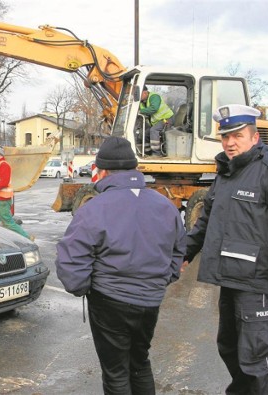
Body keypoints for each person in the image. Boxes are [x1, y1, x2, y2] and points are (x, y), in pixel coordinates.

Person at [182, 104, 268, 395]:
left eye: (238, 135)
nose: (230, 143)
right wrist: (184, 254)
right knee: (229, 347)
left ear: (255, 138)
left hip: (257, 281)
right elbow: (205, 222)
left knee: (256, 357)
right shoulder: (227, 172)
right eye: (225, 137)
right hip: (230, 278)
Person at [55, 136, 186, 394]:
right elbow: (179, 248)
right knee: (139, 363)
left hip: (109, 300)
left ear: (102, 171)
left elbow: (71, 256)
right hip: (150, 300)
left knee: (116, 372)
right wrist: (162, 280)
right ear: (134, 169)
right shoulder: (164, 205)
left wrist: (82, 287)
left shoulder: (95, 208)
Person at [0, 145, 33, 240]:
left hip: (2, 200)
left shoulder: (3, 165)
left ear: (0, 155)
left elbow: (4, 181)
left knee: (8, 223)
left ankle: (27, 238)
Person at [139, 87, 174, 157]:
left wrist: (140, 112)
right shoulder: (142, 102)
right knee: (145, 133)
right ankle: (148, 152)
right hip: (158, 122)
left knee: (154, 130)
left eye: (139, 94)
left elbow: (153, 109)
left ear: (145, 92)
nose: (137, 96)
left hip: (166, 119)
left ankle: (156, 154)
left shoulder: (154, 97)